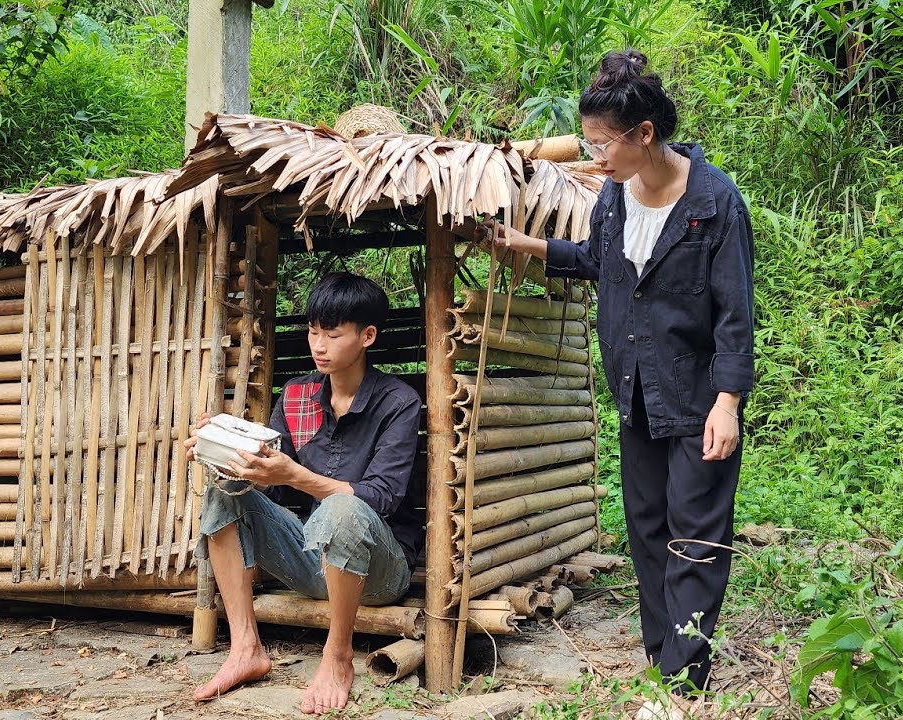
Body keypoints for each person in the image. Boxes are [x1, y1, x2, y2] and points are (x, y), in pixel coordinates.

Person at [482, 50, 754, 718]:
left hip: (696, 397)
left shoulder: (713, 203)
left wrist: (728, 402)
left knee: (695, 531)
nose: (595, 156)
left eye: (604, 144)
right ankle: (664, 657)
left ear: (644, 135)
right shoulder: (614, 195)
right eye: (591, 142)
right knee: (647, 528)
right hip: (634, 391)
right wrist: (525, 247)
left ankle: (683, 679)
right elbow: (598, 262)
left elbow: (736, 315)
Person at [184, 272, 423, 714]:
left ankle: (337, 656)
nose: (319, 344)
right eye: (314, 331)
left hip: (378, 573)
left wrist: (294, 475)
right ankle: (246, 649)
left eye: (333, 334)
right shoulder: (297, 395)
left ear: (367, 336)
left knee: (344, 507)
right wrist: (220, 443)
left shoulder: (399, 401)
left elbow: (382, 497)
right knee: (224, 492)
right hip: (312, 558)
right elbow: (265, 481)